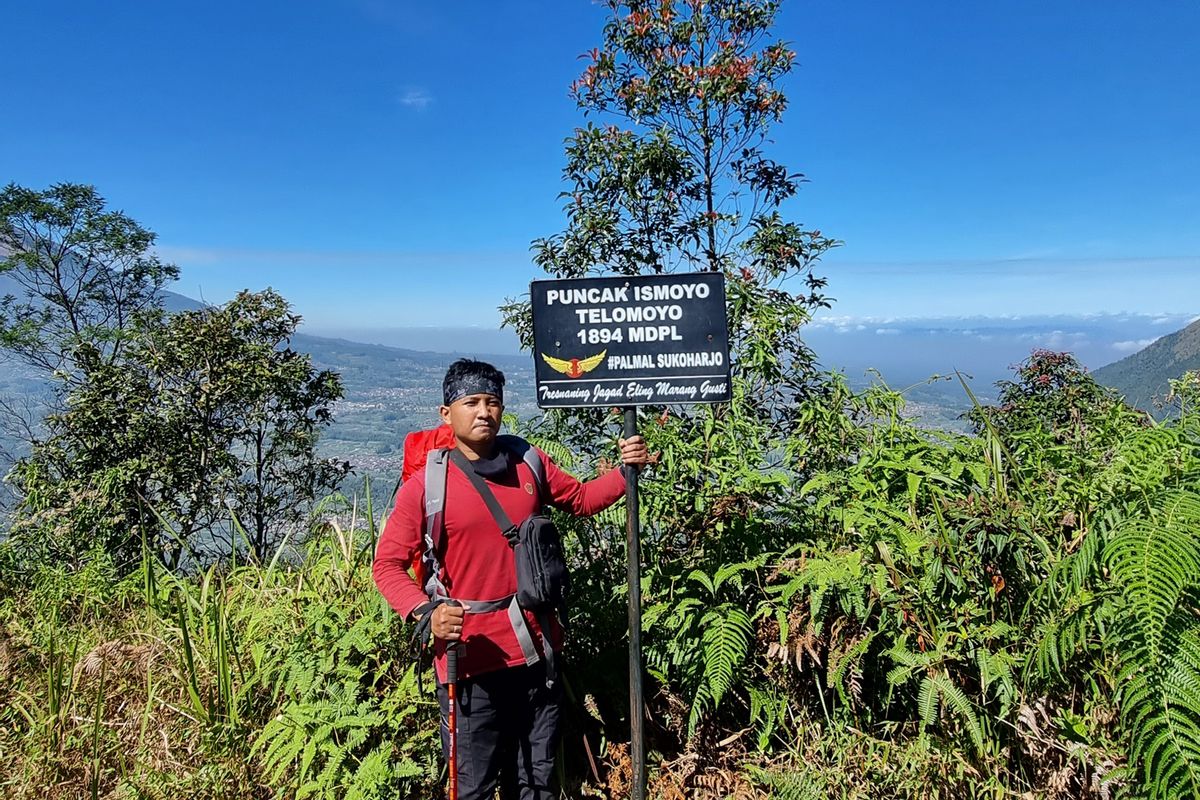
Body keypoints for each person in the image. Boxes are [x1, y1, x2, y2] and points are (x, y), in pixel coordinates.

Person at [373, 358, 648, 800]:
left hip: (538, 654)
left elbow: (579, 498)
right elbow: (386, 565)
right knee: (474, 788)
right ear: (447, 414)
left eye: (493, 402)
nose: (484, 411)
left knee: (536, 782)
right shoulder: (426, 486)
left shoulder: (528, 463)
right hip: (470, 663)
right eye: (472, 402)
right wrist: (426, 613)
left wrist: (626, 469)